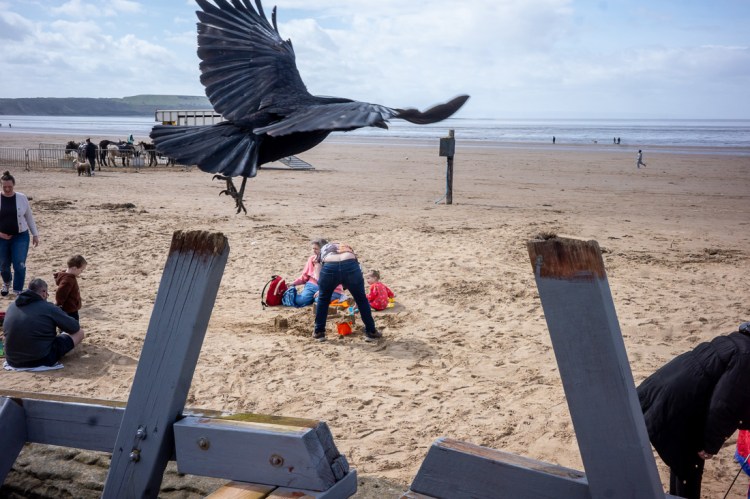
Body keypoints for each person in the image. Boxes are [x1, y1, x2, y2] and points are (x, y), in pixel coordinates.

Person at [637, 321, 750, 499]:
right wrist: (710, 445)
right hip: (679, 402)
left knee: (683, 465)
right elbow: (723, 405)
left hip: (662, 387)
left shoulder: (737, 341)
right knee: (689, 465)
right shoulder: (746, 356)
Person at [2, 278, 84, 368]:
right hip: (40, 359)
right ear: (44, 292)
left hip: (12, 360)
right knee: (79, 332)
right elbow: (74, 327)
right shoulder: (48, 307)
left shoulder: (12, 306)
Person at [312, 242, 381, 342]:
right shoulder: (346, 246)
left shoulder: (324, 250)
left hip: (330, 266)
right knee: (361, 300)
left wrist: (321, 287)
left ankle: (319, 333)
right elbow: (358, 266)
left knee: (323, 300)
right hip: (350, 265)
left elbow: (317, 266)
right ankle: (371, 332)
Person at [0, 171, 39, 297]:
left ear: (14, 185)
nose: (7, 189)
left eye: (9, 187)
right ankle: (6, 282)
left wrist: (35, 234)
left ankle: (18, 290)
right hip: (1, 237)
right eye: (4, 186)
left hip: (20, 236)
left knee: (19, 264)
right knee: (3, 265)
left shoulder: (22, 197)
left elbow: (29, 217)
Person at [287, 238, 345, 307]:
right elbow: (304, 276)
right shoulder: (311, 259)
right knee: (301, 301)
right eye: (313, 249)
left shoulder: (332, 261)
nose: (314, 251)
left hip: (330, 288)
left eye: (316, 249)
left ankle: (337, 297)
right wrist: (293, 283)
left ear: (323, 250)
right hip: (312, 285)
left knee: (319, 300)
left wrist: (322, 290)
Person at [54, 255, 87, 321]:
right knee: (72, 328)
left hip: (70, 308)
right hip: (69, 310)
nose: (81, 272)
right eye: (81, 270)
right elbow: (60, 293)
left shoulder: (68, 276)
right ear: (74, 268)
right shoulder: (68, 280)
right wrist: (59, 304)